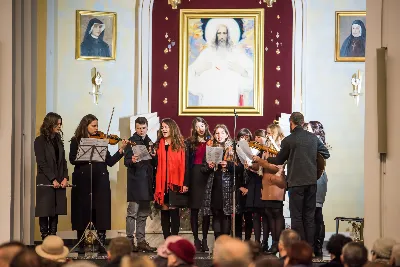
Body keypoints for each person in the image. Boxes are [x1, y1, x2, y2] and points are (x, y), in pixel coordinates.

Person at [263, 112, 330, 247]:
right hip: (312, 182)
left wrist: (266, 158)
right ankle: (309, 248)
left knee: (297, 217)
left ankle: (299, 248)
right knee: (309, 217)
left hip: (296, 183)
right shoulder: (313, 139)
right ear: (302, 122)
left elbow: (279, 159)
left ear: (291, 123)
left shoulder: (288, 140)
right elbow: (326, 154)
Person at [69, 114, 128, 254]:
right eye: (93, 126)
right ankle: (80, 242)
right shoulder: (76, 140)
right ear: (85, 126)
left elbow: (110, 162)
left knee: (101, 208)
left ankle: (101, 241)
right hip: (82, 179)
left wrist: (121, 150)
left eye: (97, 125)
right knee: (82, 208)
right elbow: (72, 159)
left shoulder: (101, 140)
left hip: (100, 179)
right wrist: (85, 156)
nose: (96, 128)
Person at [188, 19, 253, 107]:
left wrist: (242, 71)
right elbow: (189, 74)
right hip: (210, 97)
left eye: (224, 33)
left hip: (230, 96)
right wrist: (198, 71)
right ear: (215, 35)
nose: (222, 36)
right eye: (219, 33)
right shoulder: (207, 53)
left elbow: (253, 74)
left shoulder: (236, 53)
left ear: (228, 35)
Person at [201, 124, 240, 239]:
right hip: (214, 186)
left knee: (226, 215)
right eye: (217, 133)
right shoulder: (210, 148)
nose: (219, 136)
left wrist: (228, 165)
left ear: (227, 134)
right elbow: (202, 169)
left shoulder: (233, 148)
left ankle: (226, 243)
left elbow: (240, 168)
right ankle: (218, 243)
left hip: (228, 186)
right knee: (216, 214)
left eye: (222, 133)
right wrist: (209, 166)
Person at [34, 112, 69, 240]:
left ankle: (53, 238)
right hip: (46, 181)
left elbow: (63, 161)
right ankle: (45, 239)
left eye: (60, 124)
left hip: (59, 179)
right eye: (57, 124)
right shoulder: (39, 141)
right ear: (50, 124)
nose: (59, 126)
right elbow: (41, 162)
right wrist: (52, 179)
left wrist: (65, 177)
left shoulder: (58, 139)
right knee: (45, 210)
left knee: (55, 211)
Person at [124, 117, 156, 252]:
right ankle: (130, 242)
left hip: (147, 182)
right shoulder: (131, 142)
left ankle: (141, 241)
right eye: (138, 128)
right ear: (135, 128)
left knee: (143, 214)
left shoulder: (150, 142)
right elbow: (126, 162)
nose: (141, 130)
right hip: (135, 182)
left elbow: (154, 164)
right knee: (132, 213)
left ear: (147, 128)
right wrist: (131, 159)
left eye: (143, 128)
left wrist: (154, 156)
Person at [154, 118, 188, 239]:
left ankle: (174, 239)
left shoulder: (180, 144)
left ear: (172, 128)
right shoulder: (158, 144)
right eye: (162, 127)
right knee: (164, 212)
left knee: (174, 212)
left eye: (166, 127)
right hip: (162, 184)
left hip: (175, 183)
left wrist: (184, 183)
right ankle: (166, 240)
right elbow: (155, 164)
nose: (163, 129)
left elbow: (185, 165)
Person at [256, 124, 286, 254]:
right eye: (266, 133)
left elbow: (277, 167)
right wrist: (252, 164)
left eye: (270, 133)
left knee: (276, 213)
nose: (267, 135)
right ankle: (272, 244)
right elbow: (262, 166)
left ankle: (276, 243)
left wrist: (261, 162)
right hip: (266, 184)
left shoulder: (279, 147)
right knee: (268, 213)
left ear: (276, 133)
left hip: (275, 184)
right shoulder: (266, 148)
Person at [186, 117, 213, 252]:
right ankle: (196, 240)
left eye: (202, 125)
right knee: (195, 210)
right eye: (197, 126)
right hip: (194, 175)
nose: (200, 129)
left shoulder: (212, 141)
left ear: (206, 126)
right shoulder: (190, 142)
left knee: (206, 210)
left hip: (207, 175)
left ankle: (204, 240)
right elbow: (186, 163)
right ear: (194, 129)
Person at [306, 121, 329, 257]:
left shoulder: (316, 141)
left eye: (308, 128)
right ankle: (314, 245)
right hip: (310, 176)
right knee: (313, 213)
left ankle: (318, 246)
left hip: (318, 177)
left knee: (317, 212)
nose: (305, 130)